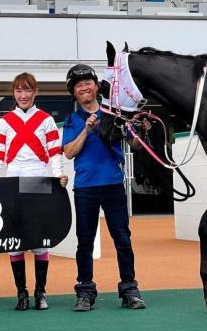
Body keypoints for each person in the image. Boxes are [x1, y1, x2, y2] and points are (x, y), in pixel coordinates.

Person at [0, 73, 67, 310]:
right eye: (18, 91)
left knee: (40, 241)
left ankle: (40, 292)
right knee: (15, 240)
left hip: (39, 181)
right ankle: (21, 293)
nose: (23, 96)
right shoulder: (5, 122)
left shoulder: (46, 120)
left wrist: (58, 176)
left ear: (35, 92)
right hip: (12, 182)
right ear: (13, 93)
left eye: (27, 91)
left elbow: (54, 153)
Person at [62, 64, 146, 311]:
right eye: (78, 85)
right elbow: (68, 152)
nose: (84, 88)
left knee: (122, 238)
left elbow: (135, 144)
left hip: (112, 185)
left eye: (87, 82)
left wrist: (141, 130)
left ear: (96, 86)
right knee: (84, 241)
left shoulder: (114, 114)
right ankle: (85, 290)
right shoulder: (72, 120)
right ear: (74, 92)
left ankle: (129, 288)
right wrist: (87, 131)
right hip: (85, 187)